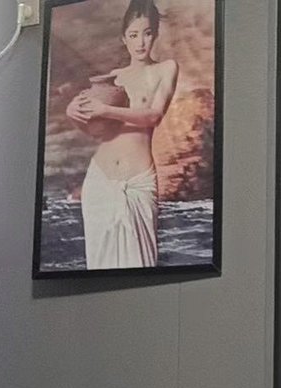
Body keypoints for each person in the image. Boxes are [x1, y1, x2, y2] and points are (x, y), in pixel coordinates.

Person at [66, 0, 179, 270]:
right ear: (124, 38)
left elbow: (153, 115)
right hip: (100, 179)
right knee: (99, 269)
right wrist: (73, 113)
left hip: (138, 180)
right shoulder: (111, 79)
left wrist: (106, 109)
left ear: (155, 34)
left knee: (142, 265)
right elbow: (96, 130)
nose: (141, 42)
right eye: (133, 34)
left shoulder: (166, 68)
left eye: (147, 33)